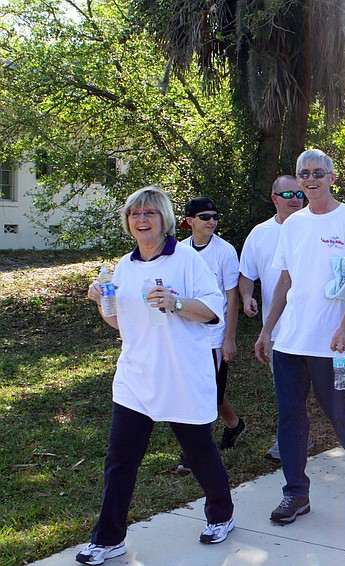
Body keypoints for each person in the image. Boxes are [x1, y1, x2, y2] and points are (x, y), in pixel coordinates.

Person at [80, 187, 234, 564]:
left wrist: (177, 302)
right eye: (135, 214)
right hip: (136, 377)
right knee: (120, 459)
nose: (142, 220)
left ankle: (222, 514)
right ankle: (109, 537)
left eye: (149, 213)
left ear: (164, 219)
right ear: (127, 221)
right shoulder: (124, 266)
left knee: (199, 451)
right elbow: (120, 321)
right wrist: (102, 301)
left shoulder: (186, 260)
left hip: (181, 375)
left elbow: (214, 310)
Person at [254, 149, 345, 525]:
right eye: (303, 173)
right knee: (291, 417)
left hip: (332, 342)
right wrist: (267, 328)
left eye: (318, 173)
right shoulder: (292, 225)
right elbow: (284, 280)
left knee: (339, 411)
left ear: (332, 177)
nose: (310, 179)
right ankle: (295, 494)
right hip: (290, 340)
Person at [173, 197, 245, 476]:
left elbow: (232, 297)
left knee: (204, 394)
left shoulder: (225, 252)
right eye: (205, 216)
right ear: (189, 221)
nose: (212, 221)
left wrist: (230, 338)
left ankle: (191, 453)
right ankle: (234, 424)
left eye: (215, 216)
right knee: (198, 391)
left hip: (214, 336)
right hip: (187, 333)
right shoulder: (179, 251)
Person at [238, 175, 306, 462]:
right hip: (277, 327)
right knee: (285, 389)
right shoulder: (259, 234)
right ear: (274, 198)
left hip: (313, 325)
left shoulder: (314, 227)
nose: (294, 199)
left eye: (299, 194)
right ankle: (291, 439)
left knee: (325, 391)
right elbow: (246, 275)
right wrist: (246, 298)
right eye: (287, 194)